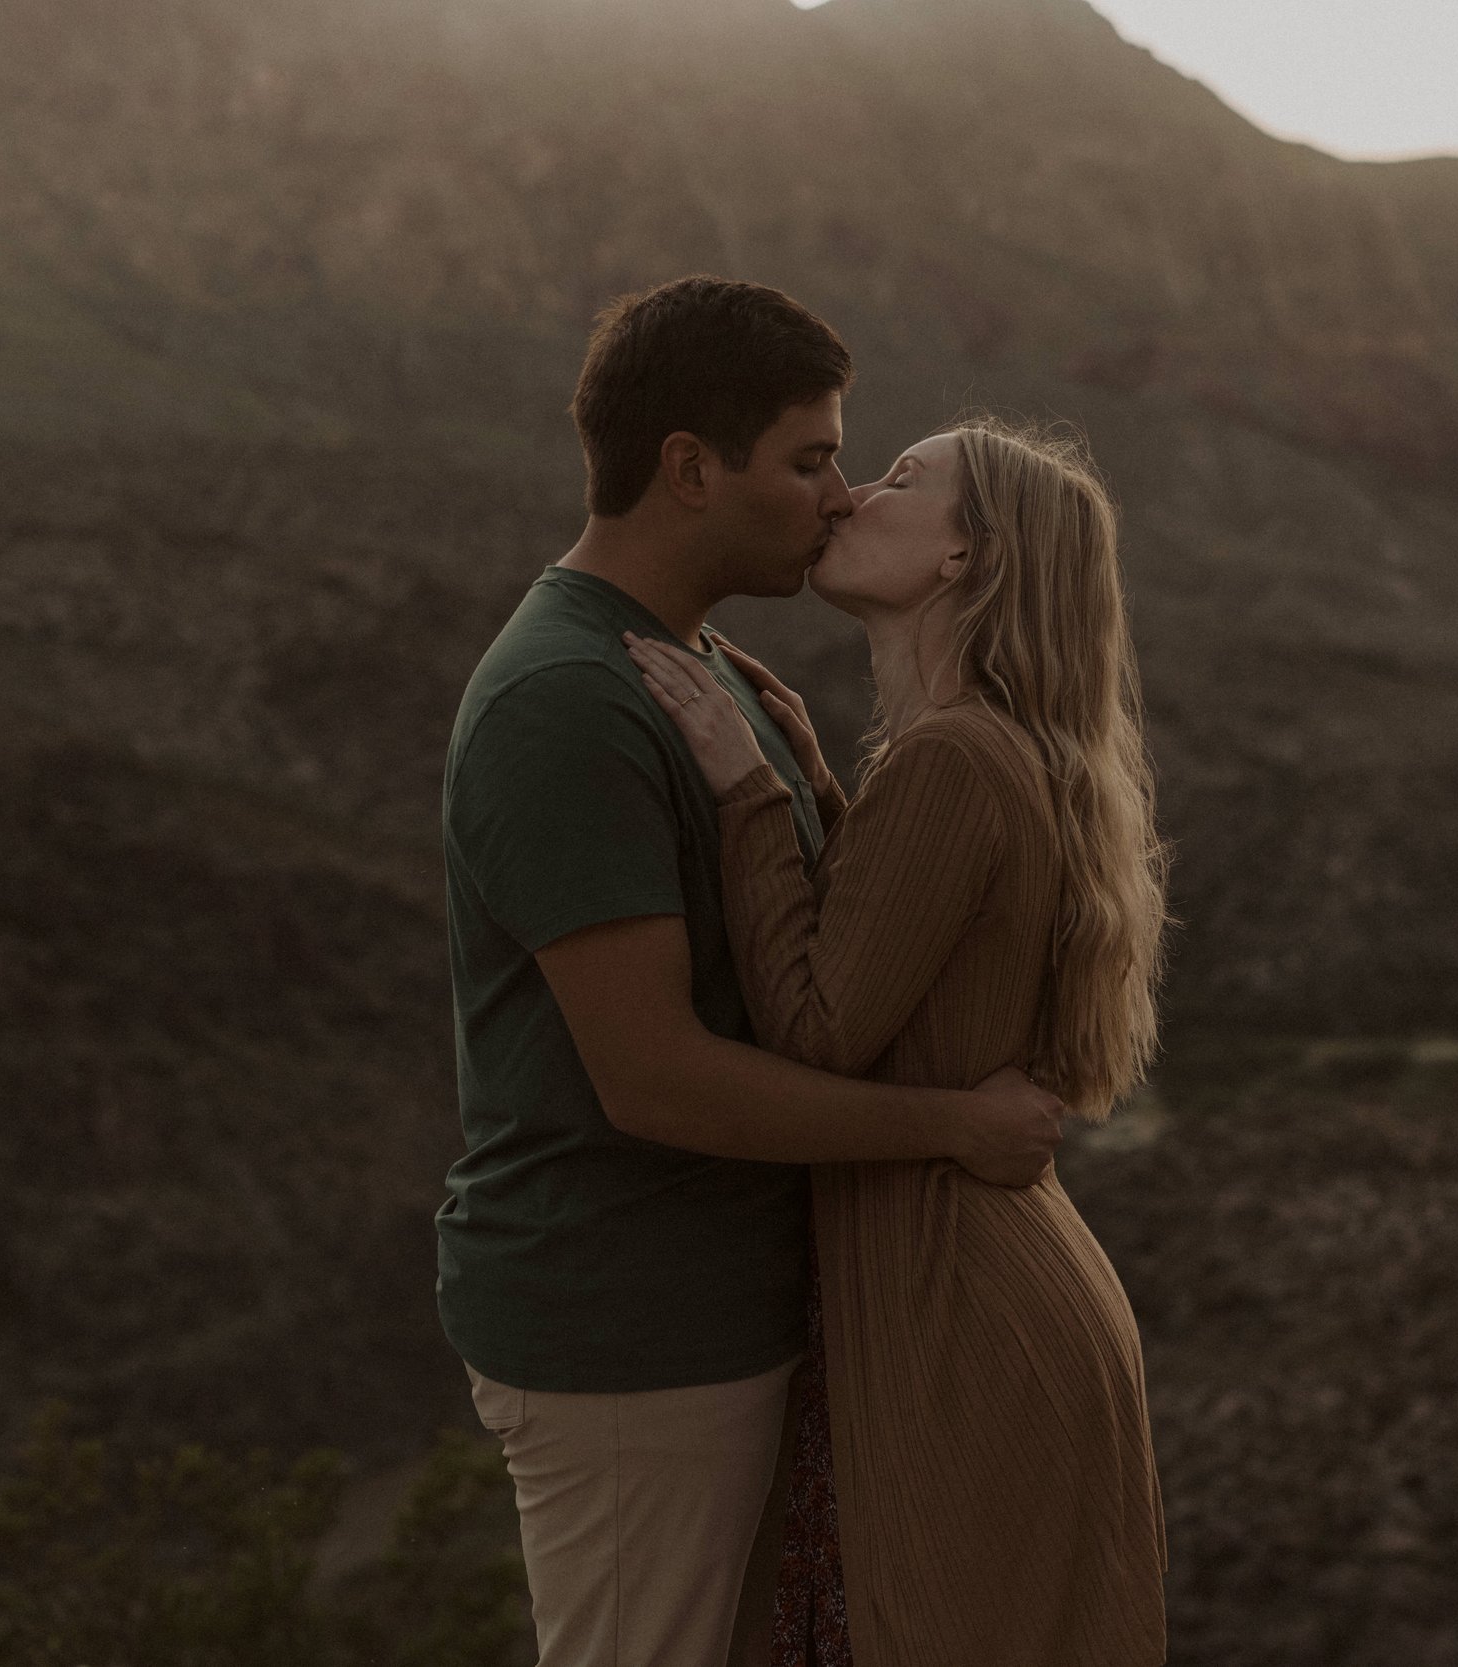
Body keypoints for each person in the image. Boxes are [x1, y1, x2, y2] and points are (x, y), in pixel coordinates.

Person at [436, 276, 1071, 1667]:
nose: (837, 496)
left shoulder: (700, 671)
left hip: (721, 1304)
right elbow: (656, 1077)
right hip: (632, 1324)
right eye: (808, 459)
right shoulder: (571, 701)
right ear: (687, 469)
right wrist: (958, 1126)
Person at [626, 415, 1170, 1666]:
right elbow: (907, 971)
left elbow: (820, 1028)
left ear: (960, 557)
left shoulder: (953, 762)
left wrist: (746, 790)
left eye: (900, 481)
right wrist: (820, 786)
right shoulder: (974, 751)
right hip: (992, 1285)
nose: (852, 493)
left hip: (958, 1308)